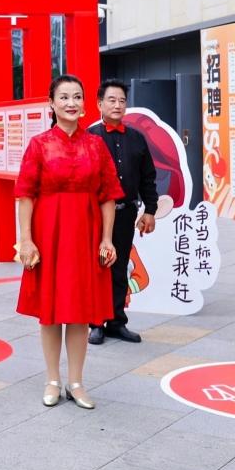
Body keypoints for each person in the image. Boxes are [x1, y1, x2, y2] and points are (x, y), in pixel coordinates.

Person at [15, 75, 121, 410]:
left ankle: (76, 382)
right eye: (63, 97)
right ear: (51, 103)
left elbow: (107, 196)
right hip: (48, 232)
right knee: (50, 312)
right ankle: (52, 380)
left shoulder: (96, 145)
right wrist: (26, 240)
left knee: (80, 310)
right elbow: (25, 195)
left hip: (86, 234)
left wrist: (106, 239)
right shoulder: (39, 145)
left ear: (85, 103)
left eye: (77, 96)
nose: (71, 103)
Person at [87, 80, 157, 345]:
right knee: (98, 267)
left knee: (120, 267)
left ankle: (117, 321)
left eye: (122, 101)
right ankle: (96, 323)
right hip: (95, 215)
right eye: (111, 100)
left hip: (126, 213)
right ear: (99, 104)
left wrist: (150, 210)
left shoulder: (137, 138)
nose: (117, 105)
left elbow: (148, 177)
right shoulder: (89, 137)